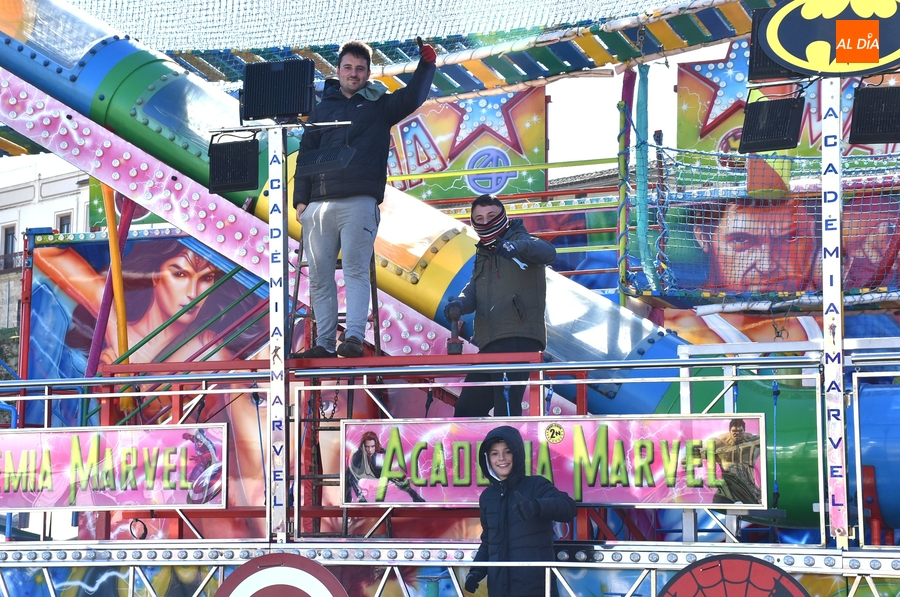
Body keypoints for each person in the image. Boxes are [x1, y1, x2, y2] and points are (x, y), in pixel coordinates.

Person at [293, 40, 437, 358]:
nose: (353, 73)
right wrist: (300, 202)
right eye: (348, 67)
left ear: (368, 73)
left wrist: (426, 65)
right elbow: (306, 154)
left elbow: (413, 96)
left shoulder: (379, 105)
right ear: (338, 71)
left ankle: (355, 338)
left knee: (355, 270)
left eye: (360, 69)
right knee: (318, 275)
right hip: (318, 206)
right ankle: (324, 344)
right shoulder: (322, 109)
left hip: (359, 201)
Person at [445, 194, 556, 417]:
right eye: (479, 218)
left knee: (506, 407)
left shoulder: (524, 242)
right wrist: (458, 304)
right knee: (467, 410)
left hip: (517, 337)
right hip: (490, 342)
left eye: (491, 216)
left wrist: (517, 247)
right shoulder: (484, 254)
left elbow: (548, 252)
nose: (485, 222)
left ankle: (509, 451)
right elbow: (473, 290)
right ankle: (488, 452)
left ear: (503, 216)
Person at [465, 425, 576, 597]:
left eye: (507, 451)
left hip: (536, 588)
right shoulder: (487, 497)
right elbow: (488, 543)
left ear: (517, 454)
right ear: (488, 459)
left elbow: (568, 508)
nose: (501, 458)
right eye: (494, 453)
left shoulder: (537, 485)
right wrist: (476, 572)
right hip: (499, 590)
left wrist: (536, 506)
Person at [691, 197, 818, 293]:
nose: (767, 266)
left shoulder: (829, 315)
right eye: (740, 240)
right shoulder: (682, 322)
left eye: (789, 238)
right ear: (704, 238)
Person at [345, 430, 424, 503]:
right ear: (363, 446)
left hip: (372, 470)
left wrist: (389, 452)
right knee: (347, 490)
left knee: (390, 473)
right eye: (367, 447)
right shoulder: (357, 456)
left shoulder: (375, 449)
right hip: (355, 474)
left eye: (372, 447)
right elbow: (352, 478)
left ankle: (414, 495)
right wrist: (361, 498)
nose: (370, 450)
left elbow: (381, 450)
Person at [705, 418, 762, 504]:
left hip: (748, 488)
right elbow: (701, 451)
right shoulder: (720, 442)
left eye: (740, 431)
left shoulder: (752, 441)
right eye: (734, 431)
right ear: (730, 431)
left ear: (744, 430)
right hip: (728, 488)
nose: (737, 434)